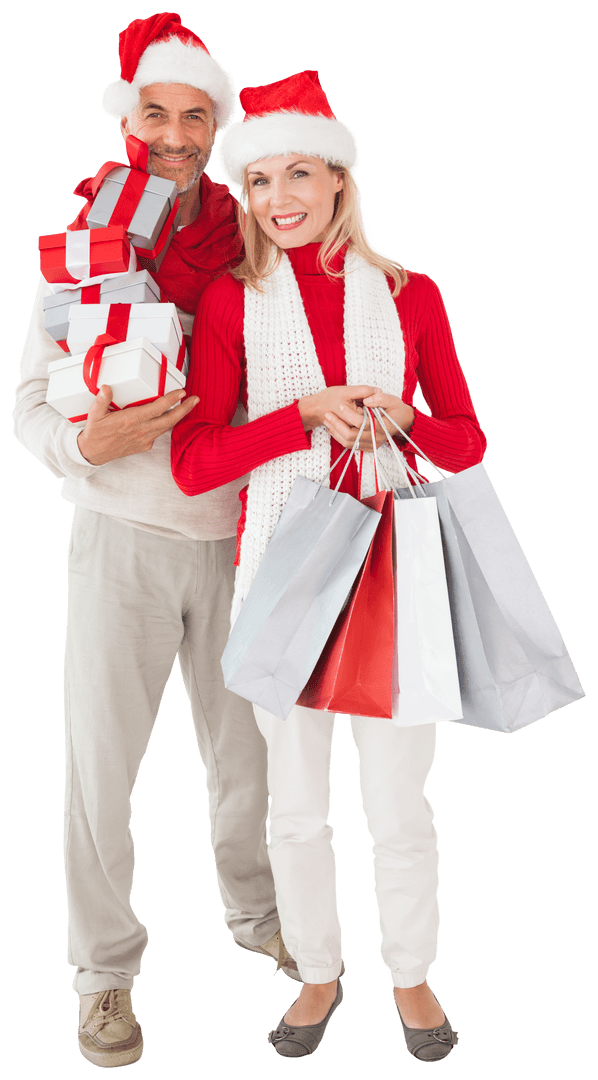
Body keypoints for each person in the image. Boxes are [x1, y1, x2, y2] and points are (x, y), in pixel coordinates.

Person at [171, 68, 487, 1061]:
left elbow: (467, 440)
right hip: (281, 570)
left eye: (297, 173)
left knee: (397, 798)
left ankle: (411, 971)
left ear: (341, 178)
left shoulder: (408, 294)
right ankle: (317, 972)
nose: (278, 201)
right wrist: (302, 414)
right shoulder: (229, 303)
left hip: (393, 570)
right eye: (257, 182)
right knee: (296, 802)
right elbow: (194, 464)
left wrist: (405, 417)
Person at [12, 13, 293, 1071]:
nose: (174, 133)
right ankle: (105, 977)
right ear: (129, 118)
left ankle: (259, 916)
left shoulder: (261, 237)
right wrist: (88, 442)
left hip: (240, 538)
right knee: (99, 770)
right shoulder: (85, 245)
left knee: (248, 763)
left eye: (195, 115)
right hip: (121, 537)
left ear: (218, 126)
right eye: (155, 112)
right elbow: (28, 404)